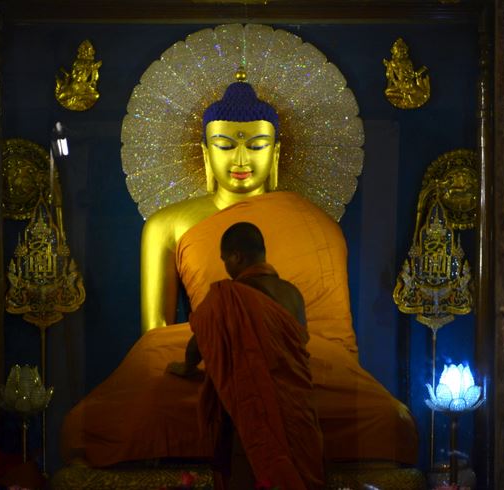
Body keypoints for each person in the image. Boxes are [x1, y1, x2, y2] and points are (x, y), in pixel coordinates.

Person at [61, 79, 418, 473]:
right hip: (217, 367)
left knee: (387, 417)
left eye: (258, 145)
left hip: (302, 368)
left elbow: (330, 342)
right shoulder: (167, 224)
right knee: (115, 408)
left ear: (277, 150)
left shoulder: (316, 224)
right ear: (204, 150)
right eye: (226, 145)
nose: (242, 159)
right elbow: (157, 335)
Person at [167, 222, 322, 489]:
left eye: (225, 259)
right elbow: (299, 343)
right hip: (297, 404)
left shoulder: (227, 297)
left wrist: (187, 367)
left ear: (236, 257)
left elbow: (200, 341)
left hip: (257, 401)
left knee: (257, 469)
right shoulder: (293, 293)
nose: (225, 266)